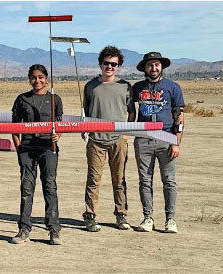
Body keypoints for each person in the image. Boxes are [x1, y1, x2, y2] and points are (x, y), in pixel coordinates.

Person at [81, 46, 136, 232]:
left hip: (118, 140)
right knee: (93, 180)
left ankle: (121, 215)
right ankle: (90, 216)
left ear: (119, 66)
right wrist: (85, 130)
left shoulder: (125, 86)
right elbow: (86, 112)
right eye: (106, 63)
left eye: (114, 64)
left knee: (119, 179)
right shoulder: (90, 86)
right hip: (96, 140)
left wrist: (126, 133)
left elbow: (131, 112)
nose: (109, 67)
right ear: (100, 64)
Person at [9, 64, 63, 245]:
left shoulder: (55, 99)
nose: (37, 80)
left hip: (49, 149)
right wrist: (19, 148)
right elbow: (14, 127)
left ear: (46, 78)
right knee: (26, 189)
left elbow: (59, 124)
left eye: (40, 77)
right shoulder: (22, 99)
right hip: (27, 150)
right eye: (33, 77)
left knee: (50, 187)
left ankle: (54, 229)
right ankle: (24, 229)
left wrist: (57, 136)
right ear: (29, 79)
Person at [132, 52, 185, 233]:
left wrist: (176, 142)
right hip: (143, 139)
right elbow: (130, 111)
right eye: (150, 65)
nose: (153, 68)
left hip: (166, 139)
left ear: (161, 66)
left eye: (156, 65)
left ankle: (170, 219)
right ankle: (148, 218)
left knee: (169, 181)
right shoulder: (137, 87)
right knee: (145, 180)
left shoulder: (173, 87)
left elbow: (179, 117)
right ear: (144, 68)